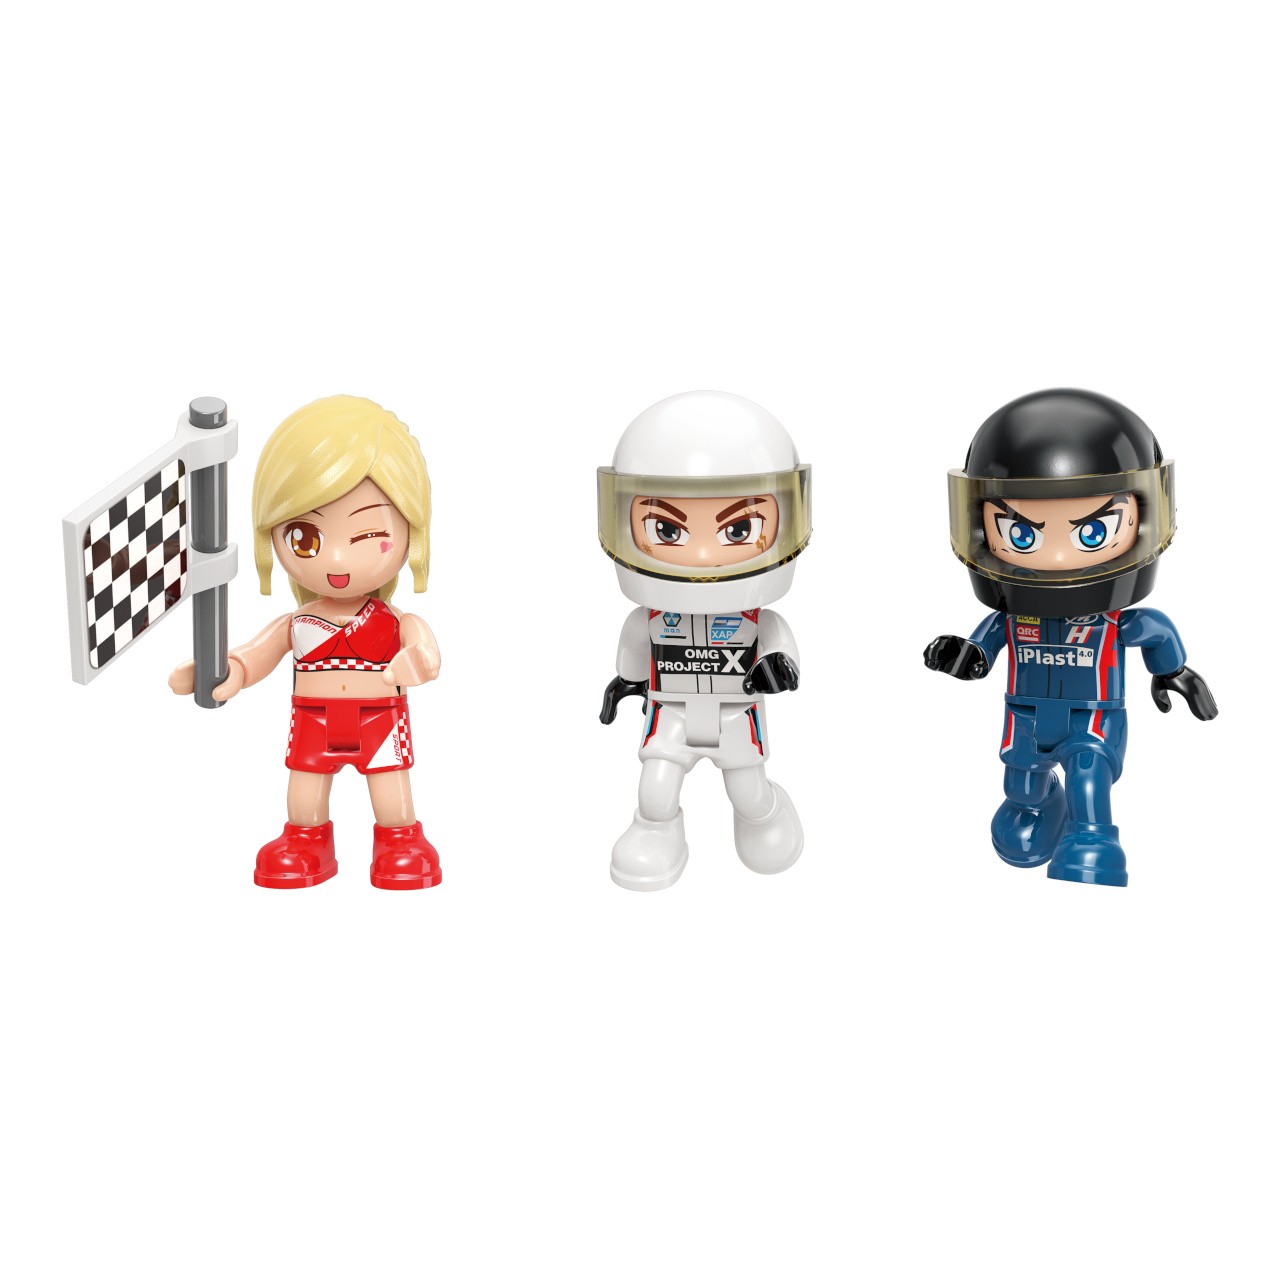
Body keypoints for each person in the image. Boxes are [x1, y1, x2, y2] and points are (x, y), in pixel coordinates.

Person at [924, 388, 1217, 887]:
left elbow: (1154, 631)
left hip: (1093, 716)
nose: (1058, 559)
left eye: (1092, 532)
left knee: (1088, 776)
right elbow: (982, 651)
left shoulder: (1113, 622)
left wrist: (1173, 671)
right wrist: (963, 655)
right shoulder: (1012, 619)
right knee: (1021, 788)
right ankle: (1044, 806)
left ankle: (1093, 839)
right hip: (1025, 715)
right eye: (1021, 534)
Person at [169, 395, 442, 890]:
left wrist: (418, 660)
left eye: (369, 535)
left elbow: (424, 650)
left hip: (379, 717)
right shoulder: (296, 623)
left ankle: (400, 841)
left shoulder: (396, 620)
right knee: (303, 793)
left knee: (391, 794)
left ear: (412, 534)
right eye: (305, 538)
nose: (336, 560)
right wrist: (220, 669)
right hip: (314, 719)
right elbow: (255, 655)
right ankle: (305, 842)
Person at [598, 391, 811, 890]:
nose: (700, 556)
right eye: (666, 529)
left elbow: (783, 653)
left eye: (738, 530)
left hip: (736, 715)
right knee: (654, 790)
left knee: (748, 793)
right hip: (668, 711)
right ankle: (655, 832)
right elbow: (634, 655)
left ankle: (766, 817)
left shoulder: (757, 619)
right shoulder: (649, 618)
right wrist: (625, 684)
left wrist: (779, 669)